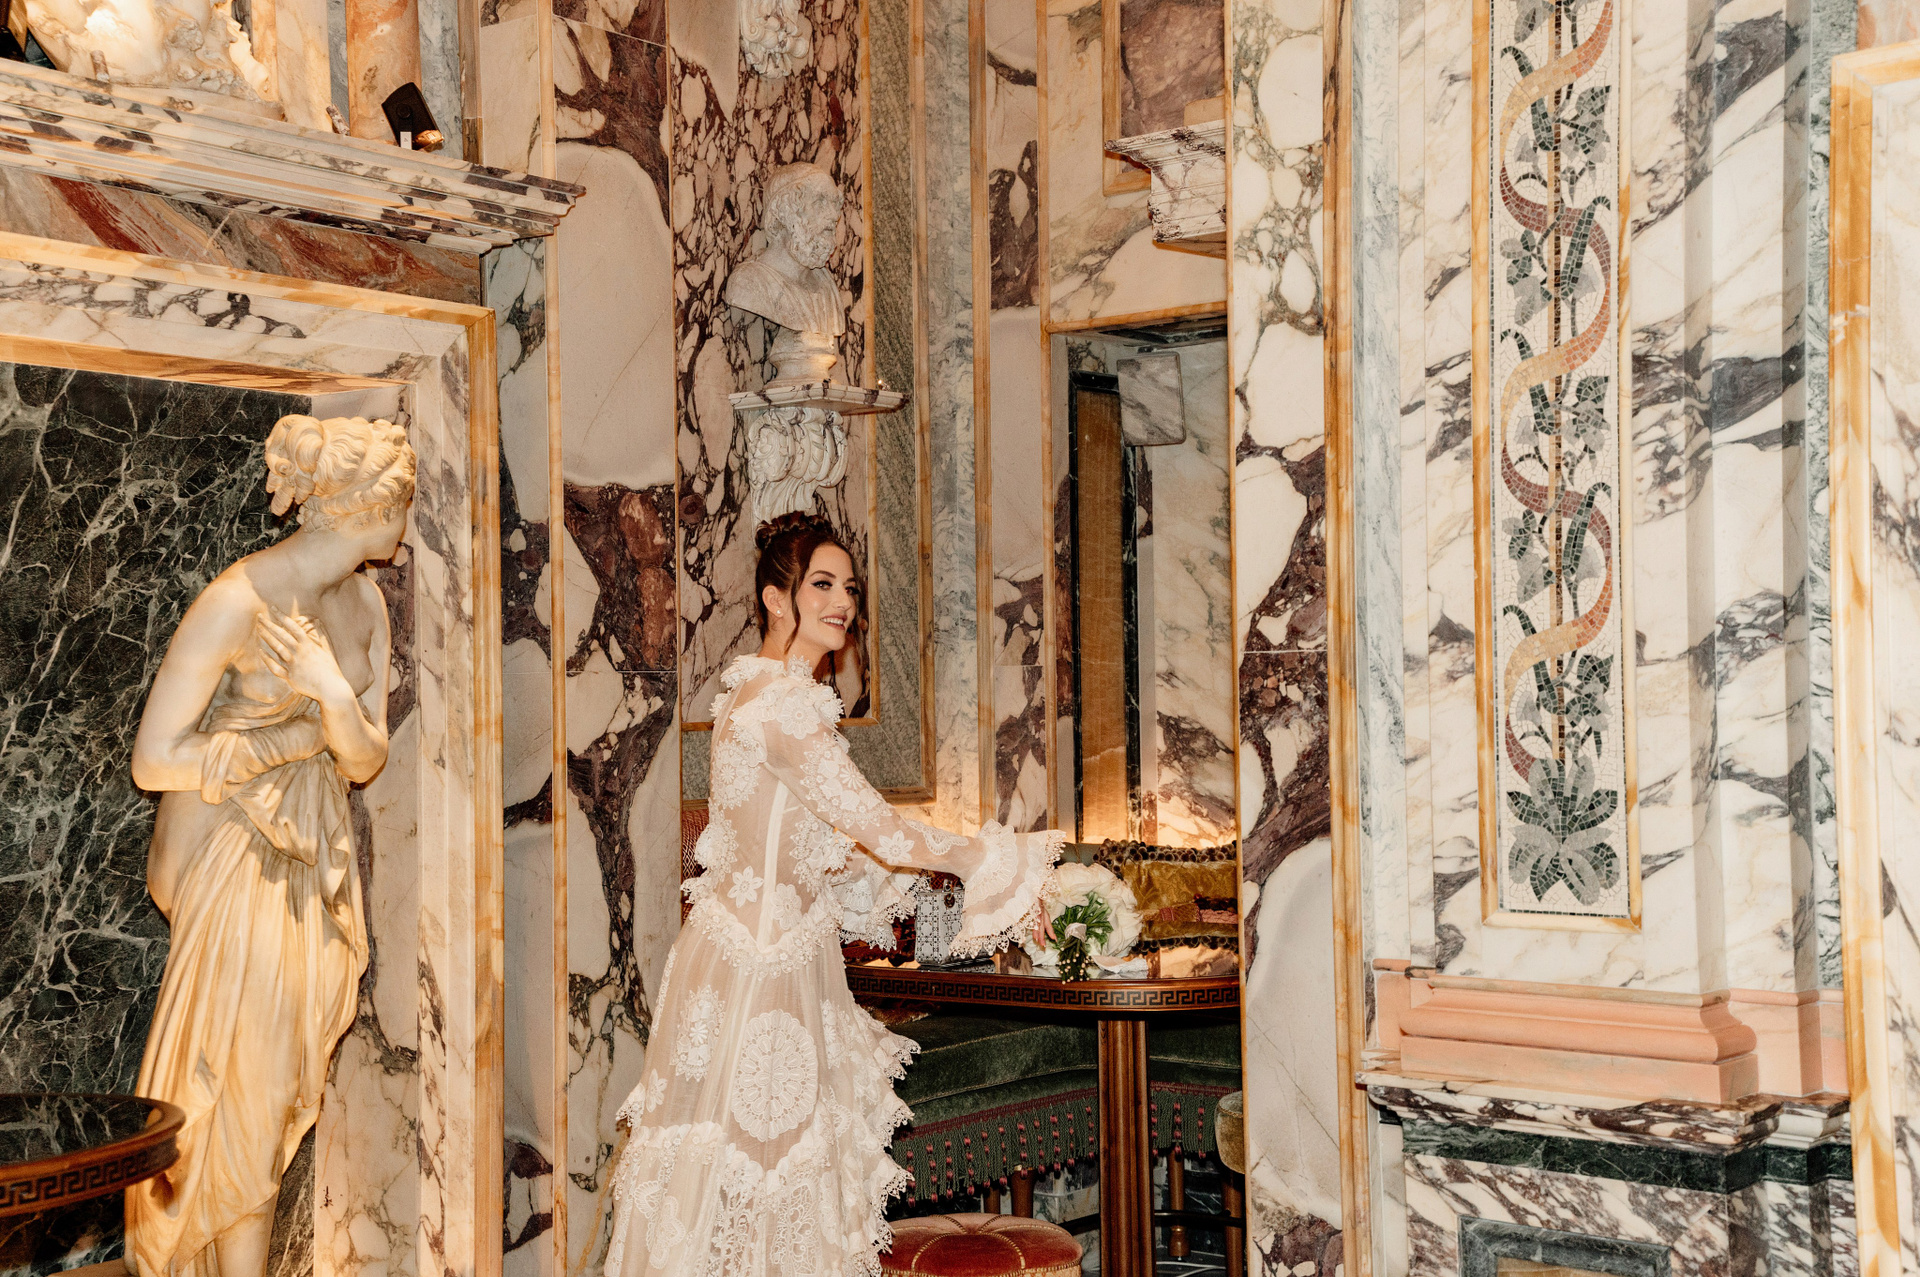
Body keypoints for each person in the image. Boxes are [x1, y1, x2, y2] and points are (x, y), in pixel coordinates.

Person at [605, 512, 1064, 1275]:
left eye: (849, 587)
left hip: (747, 956)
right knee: (768, 1174)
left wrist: (954, 896)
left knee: (741, 1182)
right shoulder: (784, 707)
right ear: (775, 598)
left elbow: (833, 854)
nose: (843, 601)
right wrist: (996, 861)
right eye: (822, 583)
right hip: (763, 971)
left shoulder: (752, 693)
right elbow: (879, 827)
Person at [126, 415, 414, 1277]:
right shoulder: (240, 599)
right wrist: (275, 746)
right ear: (369, 506)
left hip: (312, 864)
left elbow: (365, 758)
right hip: (233, 862)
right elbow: (152, 758)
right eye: (402, 503)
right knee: (237, 1090)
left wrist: (330, 694)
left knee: (276, 1086)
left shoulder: (365, 604)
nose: (406, 520)